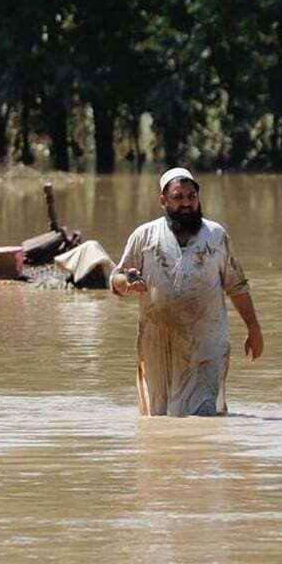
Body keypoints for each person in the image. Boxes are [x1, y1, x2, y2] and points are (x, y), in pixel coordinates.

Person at [110, 168, 264, 416]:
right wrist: (127, 282)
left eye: (191, 197)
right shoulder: (144, 236)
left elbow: (237, 286)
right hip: (157, 345)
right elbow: (116, 278)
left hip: (207, 345)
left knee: (203, 416)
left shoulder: (216, 236)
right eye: (178, 197)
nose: (186, 204)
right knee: (159, 418)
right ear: (163, 201)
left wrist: (253, 329)